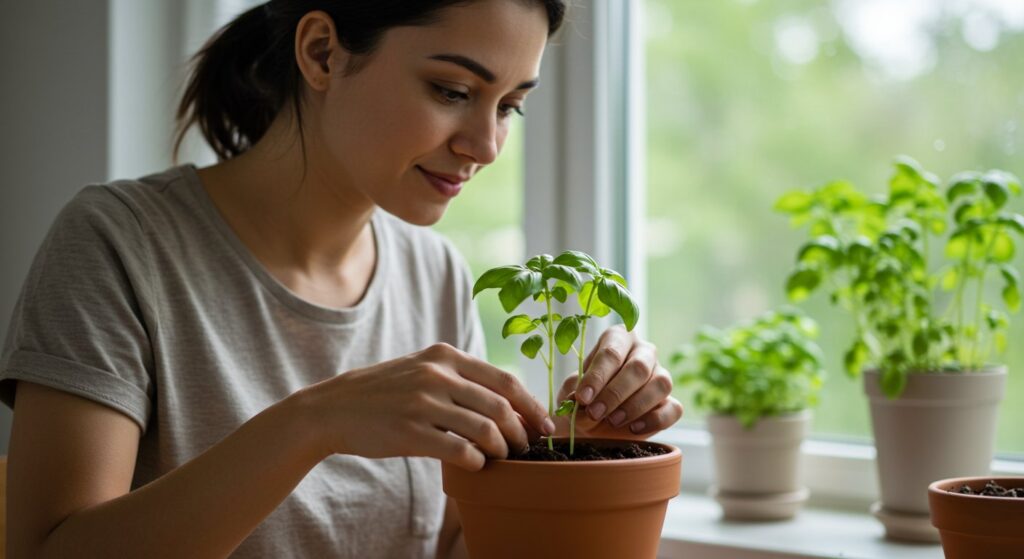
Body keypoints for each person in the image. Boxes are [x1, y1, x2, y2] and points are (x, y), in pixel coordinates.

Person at [1, 1, 683, 557]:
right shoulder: (119, 244)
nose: (486, 144)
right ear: (322, 52)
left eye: (509, 105)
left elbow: (451, 547)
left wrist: (582, 447)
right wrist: (315, 421)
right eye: (452, 91)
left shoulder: (435, 274)